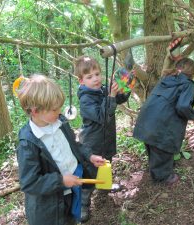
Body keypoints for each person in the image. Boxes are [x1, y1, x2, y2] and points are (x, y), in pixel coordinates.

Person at [16, 74, 105, 225]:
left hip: (71, 190)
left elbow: (74, 145)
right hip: (50, 205)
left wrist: (89, 156)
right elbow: (29, 182)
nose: (59, 112)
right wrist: (61, 180)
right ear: (35, 111)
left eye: (59, 107)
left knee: (71, 219)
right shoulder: (28, 143)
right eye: (54, 109)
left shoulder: (60, 122)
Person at [74, 56, 130, 222]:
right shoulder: (85, 99)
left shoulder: (102, 89)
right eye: (90, 77)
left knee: (107, 163)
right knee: (91, 172)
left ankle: (104, 186)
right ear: (81, 81)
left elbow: (119, 99)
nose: (96, 79)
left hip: (106, 139)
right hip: (92, 143)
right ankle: (84, 204)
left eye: (97, 74)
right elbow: (102, 116)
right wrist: (111, 95)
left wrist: (122, 87)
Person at [133, 58, 194, 185]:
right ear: (192, 72)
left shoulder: (166, 78)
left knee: (153, 146)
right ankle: (163, 178)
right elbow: (183, 106)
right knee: (162, 146)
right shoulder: (188, 83)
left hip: (146, 120)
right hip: (162, 124)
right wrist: (193, 114)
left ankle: (156, 169)